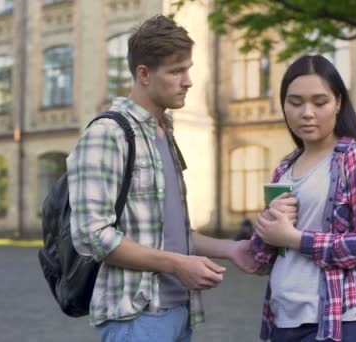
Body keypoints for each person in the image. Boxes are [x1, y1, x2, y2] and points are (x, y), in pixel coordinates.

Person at [66, 15, 259, 342]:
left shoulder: (164, 133)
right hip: (136, 317)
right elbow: (92, 236)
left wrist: (231, 248)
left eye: (188, 68)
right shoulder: (107, 135)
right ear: (143, 74)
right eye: (175, 71)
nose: (188, 81)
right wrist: (177, 265)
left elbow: (169, 233)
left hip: (178, 311)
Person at [251, 54, 356, 342]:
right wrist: (267, 223)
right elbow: (261, 258)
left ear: (338, 103)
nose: (307, 113)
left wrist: (295, 238)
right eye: (295, 103)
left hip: (339, 322)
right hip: (281, 319)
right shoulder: (283, 169)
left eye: (319, 102)